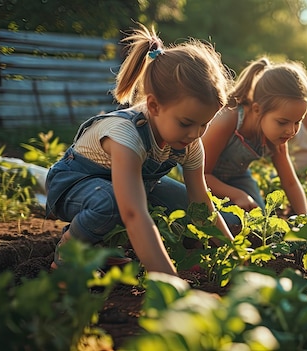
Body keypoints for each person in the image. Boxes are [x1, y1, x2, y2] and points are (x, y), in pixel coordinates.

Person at [45, 24, 234, 277]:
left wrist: (236, 258)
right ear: (154, 106)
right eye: (186, 123)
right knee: (111, 203)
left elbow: (202, 204)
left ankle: (104, 247)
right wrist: (171, 283)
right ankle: (68, 255)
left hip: (130, 185)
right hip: (75, 184)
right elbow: (134, 214)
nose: (195, 134)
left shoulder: (190, 142)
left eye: (204, 124)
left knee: (187, 205)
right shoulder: (127, 135)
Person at [201, 57, 307, 227]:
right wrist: (236, 195)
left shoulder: (277, 138)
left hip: (237, 177)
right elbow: (202, 174)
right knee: (225, 223)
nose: (291, 131)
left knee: (259, 224)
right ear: (257, 109)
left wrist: (306, 222)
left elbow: (290, 183)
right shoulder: (228, 120)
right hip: (201, 176)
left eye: (297, 122)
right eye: (283, 122)